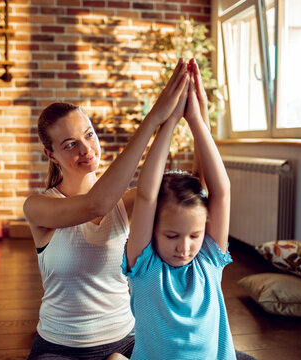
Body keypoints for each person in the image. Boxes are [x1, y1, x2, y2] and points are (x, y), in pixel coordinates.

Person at [23, 59, 190, 359]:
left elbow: (179, 190)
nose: (86, 149)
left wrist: (180, 117)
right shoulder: (39, 207)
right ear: (51, 154)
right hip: (59, 348)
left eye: (89, 134)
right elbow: (95, 204)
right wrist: (152, 119)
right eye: (70, 144)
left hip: (125, 341)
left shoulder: (127, 202)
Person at [122, 58, 238, 359]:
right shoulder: (144, 267)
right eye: (172, 236)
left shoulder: (209, 261)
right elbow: (147, 195)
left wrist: (198, 120)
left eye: (194, 236)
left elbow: (221, 192)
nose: (185, 247)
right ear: (153, 230)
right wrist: (171, 120)